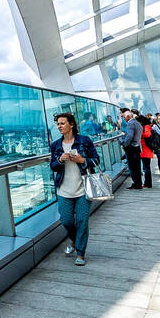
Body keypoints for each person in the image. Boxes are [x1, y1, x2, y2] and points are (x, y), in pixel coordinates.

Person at [49, 112, 98, 266]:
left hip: (83, 189)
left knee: (83, 221)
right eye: (58, 124)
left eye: (62, 123)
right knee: (66, 220)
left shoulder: (84, 141)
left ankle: (81, 253)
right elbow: (53, 166)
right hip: (64, 190)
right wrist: (59, 160)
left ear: (71, 124)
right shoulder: (56, 145)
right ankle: (75, 241)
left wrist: (82, 160)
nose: (59, 126)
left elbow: (96, 160)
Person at [122, 109, 145, 189]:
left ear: (128, 116)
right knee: (137, 166)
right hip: (137, 147)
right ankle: (139, 183)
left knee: (132, 167)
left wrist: (125, 144)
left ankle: (136, 183)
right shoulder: (138, 123)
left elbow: (130, 136)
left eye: (124, 117)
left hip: (131, 148)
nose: (124, 119)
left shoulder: (130, 124)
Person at [138, 113, 156, 188]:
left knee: (146, 167)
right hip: (144, 149)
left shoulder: (146, 127)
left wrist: (139, 133)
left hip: (146, 150)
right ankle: (147, 183)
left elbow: (147, 135)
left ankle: (148, 183)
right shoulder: (145, 126)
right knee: (146, 167)